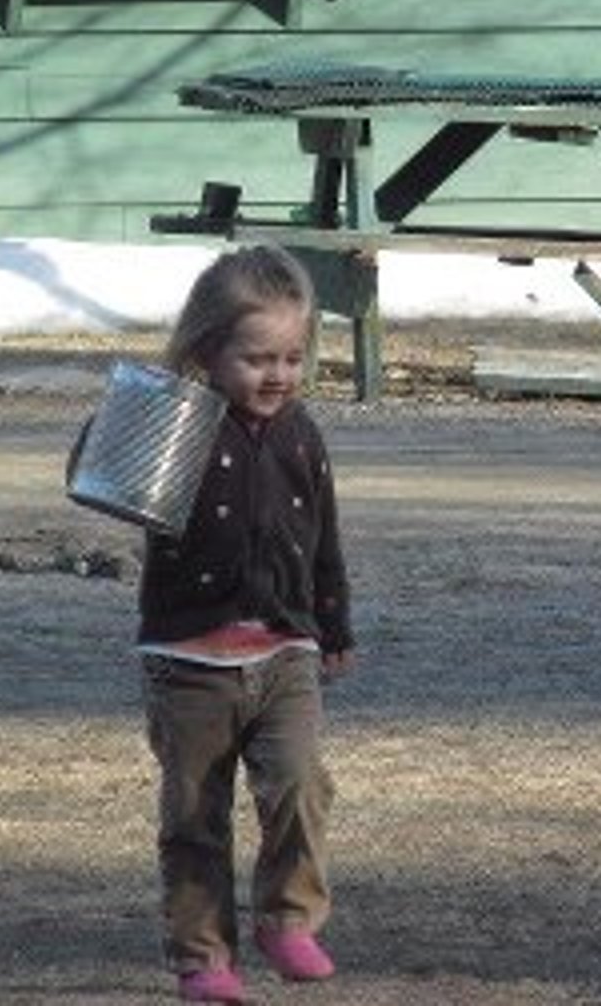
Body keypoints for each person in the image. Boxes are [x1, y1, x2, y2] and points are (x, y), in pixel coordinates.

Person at [101, 244, 356, 1004]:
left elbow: (324, 537)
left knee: (301, 785)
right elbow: (103, 474)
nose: (276, 375)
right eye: (256, 358)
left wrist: (333, 627)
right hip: (189, 658)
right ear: (209, 351)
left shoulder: (303, 433)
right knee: (194, 814)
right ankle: (203, 957)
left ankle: (288, 918)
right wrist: (128, 411)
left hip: (285, 651)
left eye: (291, 357)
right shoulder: (176, 423)